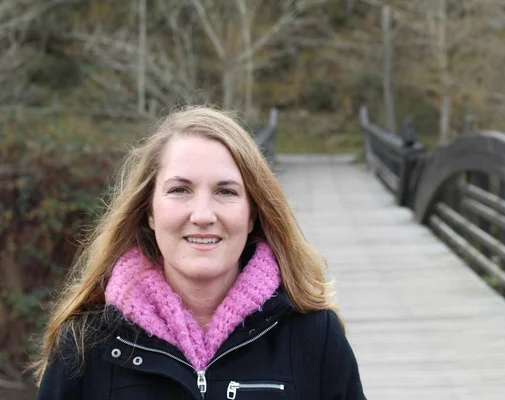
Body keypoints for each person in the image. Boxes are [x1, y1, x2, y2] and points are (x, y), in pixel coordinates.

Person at [34, 106, 366, 399]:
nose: (203, 214)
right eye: (180, 190)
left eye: (226, 191)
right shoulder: (83, 345)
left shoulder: (315, 336)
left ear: (253, 213)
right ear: (149, 211)